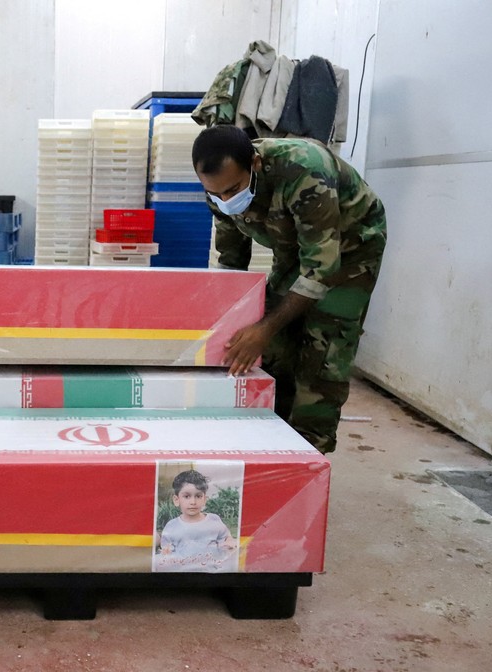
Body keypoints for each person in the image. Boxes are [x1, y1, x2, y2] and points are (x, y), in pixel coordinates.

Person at [191, 125, 386, 454]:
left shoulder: (304, 169)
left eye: (233, 190)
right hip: (295, 250)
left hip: (352, 249)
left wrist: (263, 329)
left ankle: (309, 456)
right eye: (216, 193)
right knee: (275, 349)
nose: (226, 200)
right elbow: (231, 260)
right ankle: (272, 443)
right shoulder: (219, 190)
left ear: (254, 163)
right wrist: (225, 321)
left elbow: (322, 267)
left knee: (322, 354)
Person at [157, 469, 237, 572]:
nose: (193, 502)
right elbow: (167, 553)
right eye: (187, 496)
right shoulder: (171, 526)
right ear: (177, 500)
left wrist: (229, 543)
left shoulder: (214, 520)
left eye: (198, 496)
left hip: (211, 573)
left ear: (204, 499)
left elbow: (226, 538)